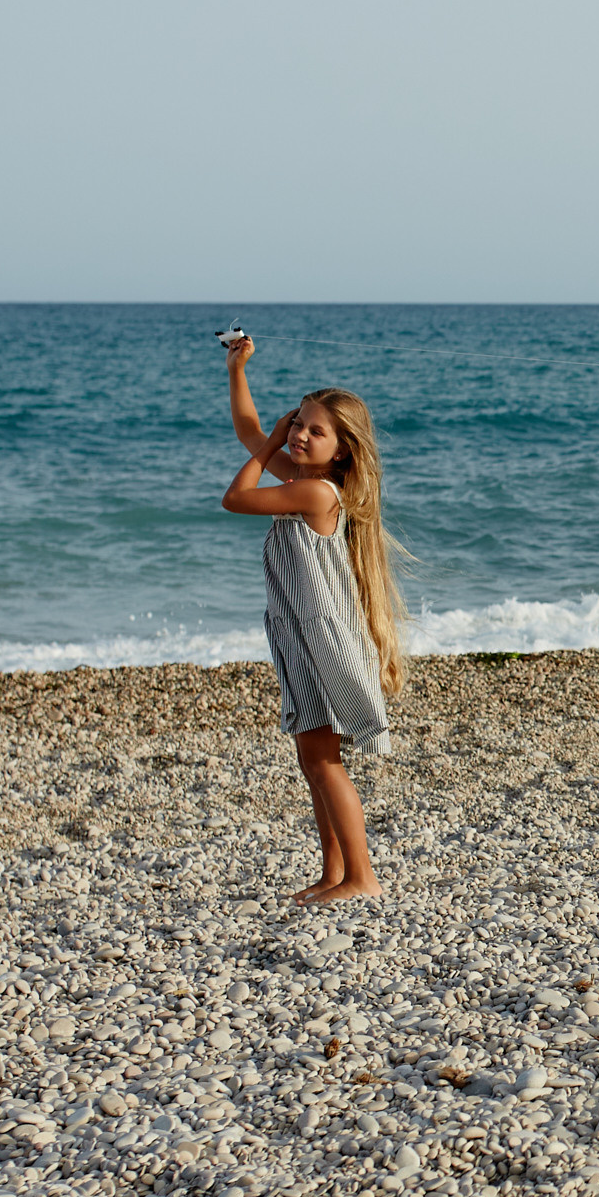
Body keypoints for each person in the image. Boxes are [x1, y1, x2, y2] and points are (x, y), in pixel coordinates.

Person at [222, 336, 410, 903]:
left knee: (325, 761)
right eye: (298, 423)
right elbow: (250, 433)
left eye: (313, 431)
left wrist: (274, 441)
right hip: (301, 640)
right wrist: (237, 370)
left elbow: (236, 497)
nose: (299, 434)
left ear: (342, 451)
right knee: (313, 759)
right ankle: (334, 873)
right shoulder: (312, 484)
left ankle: (361, 876)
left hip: (320, 646)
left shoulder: (313, 494)